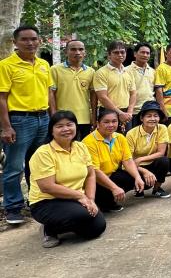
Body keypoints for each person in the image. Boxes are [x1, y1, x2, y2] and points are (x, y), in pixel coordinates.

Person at [28, 111, 106, 248]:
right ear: (51, 130)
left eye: (70, 124)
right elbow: (47, 187)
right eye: (59, 126)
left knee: (98, 227)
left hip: (73, 199)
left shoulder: (80, 147)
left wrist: (91, 199)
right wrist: (80, 196)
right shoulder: (43, 153)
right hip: (46, 201)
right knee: (83, 215)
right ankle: (50, 228)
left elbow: (90, 175)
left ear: (76, 126)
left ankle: (65, 224)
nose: (66, 129)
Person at [0, 25, 53, 225]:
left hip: (43, 119)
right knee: (14, 166)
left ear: (39, 41)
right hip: (19, 120)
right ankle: (13, 208)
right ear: (15, 42)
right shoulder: (6, 65)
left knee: (38, 163)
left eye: (33, 39)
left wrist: (52, 117)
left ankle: (36, 201)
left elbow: (49, 93)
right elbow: (2, 98)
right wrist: (6, 126)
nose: (30, 43)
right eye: (25, 39)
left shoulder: (43, 64)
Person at [82, 109, 145, 211]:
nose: (111, 125)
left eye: (114, 121)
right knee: (115, 182)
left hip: (111, 175)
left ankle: (108, 200)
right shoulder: (89, 142)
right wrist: (114, 188)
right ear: (98, 124)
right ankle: (103, 202)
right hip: (95, 182)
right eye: (106, 122)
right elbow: (95, 171)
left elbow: (128, 161)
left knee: (136, 177)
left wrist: (137, 177)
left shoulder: (119, 137)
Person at [50, 39, 96, 140]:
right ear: (66, 52)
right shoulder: (55, 70)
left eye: (81, 49)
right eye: (73, 49)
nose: (77, 52)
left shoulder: (91, 71)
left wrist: (94, 117)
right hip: (63, 119)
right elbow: (51, 93)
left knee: (82, 148)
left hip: (84, 119)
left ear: (85, 52)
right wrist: (53, 116)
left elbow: (93, 97)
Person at [125, 101, 171, 199]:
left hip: (151, 163)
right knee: (125, 173)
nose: (153, 119)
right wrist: (144, 171)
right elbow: (129, 161)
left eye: (155, 116)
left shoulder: (162, 128)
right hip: (136, 167)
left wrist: (141, 159)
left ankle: (157, 189)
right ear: (142, 118)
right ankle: (138, 188)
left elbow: (161, 153)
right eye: (149, 116)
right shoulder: (131, 134)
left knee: (164, 161)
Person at [93, 40, 136, 129]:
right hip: (108, 113)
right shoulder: (101, 73)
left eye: (122, 52)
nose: (120, 55)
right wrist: (120, 113)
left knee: (125, 141)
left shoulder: (128, 72)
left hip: (126, 113)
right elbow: (102, 97)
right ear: (109, 55)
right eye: (116, 52)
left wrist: (129, 112)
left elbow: (133, 93)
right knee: (108, 140)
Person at [125, 42, 156, 129]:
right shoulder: (126, 71)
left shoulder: (153, 72)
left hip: (149, 111)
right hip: (132, 112)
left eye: (147, 53)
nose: (145, 55)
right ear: (135, 54)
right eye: (142, 52)